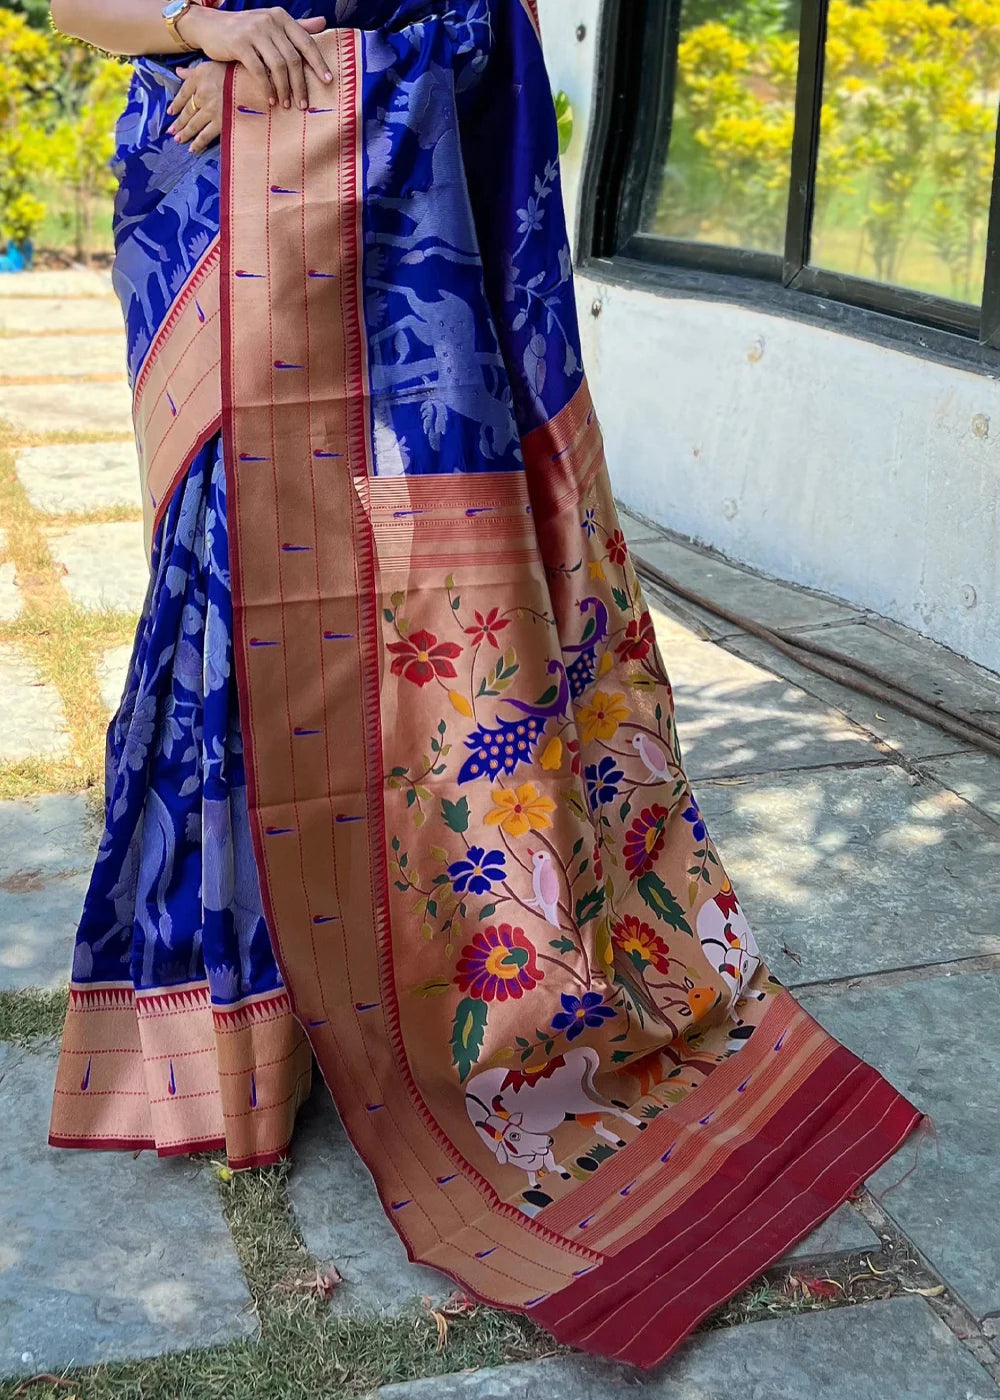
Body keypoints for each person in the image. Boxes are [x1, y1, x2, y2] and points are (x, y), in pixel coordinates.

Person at [45, 0, 922, 1368]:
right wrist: (194, 32)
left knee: (418, 585)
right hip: (214, 202)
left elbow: (473, 22)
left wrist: (325, 76)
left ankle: (438, 975)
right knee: (223, 582)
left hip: (389, 197)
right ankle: (236, 1027)